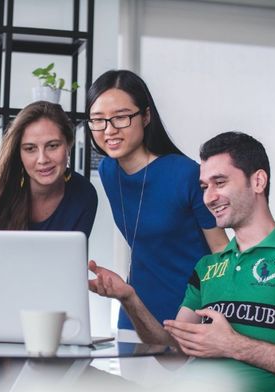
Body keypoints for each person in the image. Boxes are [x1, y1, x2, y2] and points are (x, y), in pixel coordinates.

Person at [89, 132, 275, 391]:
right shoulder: (208, 268)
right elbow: (173, 354)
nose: (209, 198)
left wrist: (233, 345)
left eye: (220, 182)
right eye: (204, 187)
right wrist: (129, 298)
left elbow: (226, 346)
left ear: (258, 181)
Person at [86, 70, 228, 337]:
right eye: (98, 120)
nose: (109, 130)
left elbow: (220, 250)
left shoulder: (185, 174)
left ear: (146, 116)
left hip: (190, 315)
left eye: (121, 117)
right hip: (134, 315)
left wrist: (220, 319)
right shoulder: (108, 170)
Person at [0, 100, 98, 238]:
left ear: (68, 144)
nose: (43, 159)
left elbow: (72, 257)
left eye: (52, 146)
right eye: (30, 149)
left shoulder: (84, 194)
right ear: (19, 152)